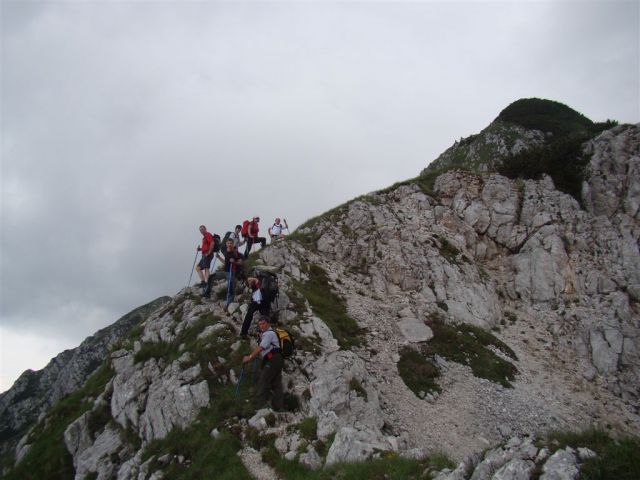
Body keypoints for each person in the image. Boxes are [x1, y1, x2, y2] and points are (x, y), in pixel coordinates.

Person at [243, 316, 284, 411]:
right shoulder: (269, 334)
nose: (261, 326)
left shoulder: (268, 334)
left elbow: (261, 347)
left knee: (264, 380)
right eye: (260, 324)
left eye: (263, 323)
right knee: (276, 383)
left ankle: (261, 406)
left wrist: (249, 357)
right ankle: (279, 406)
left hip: (272, 359)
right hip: (277, 359)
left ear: (268, 324)